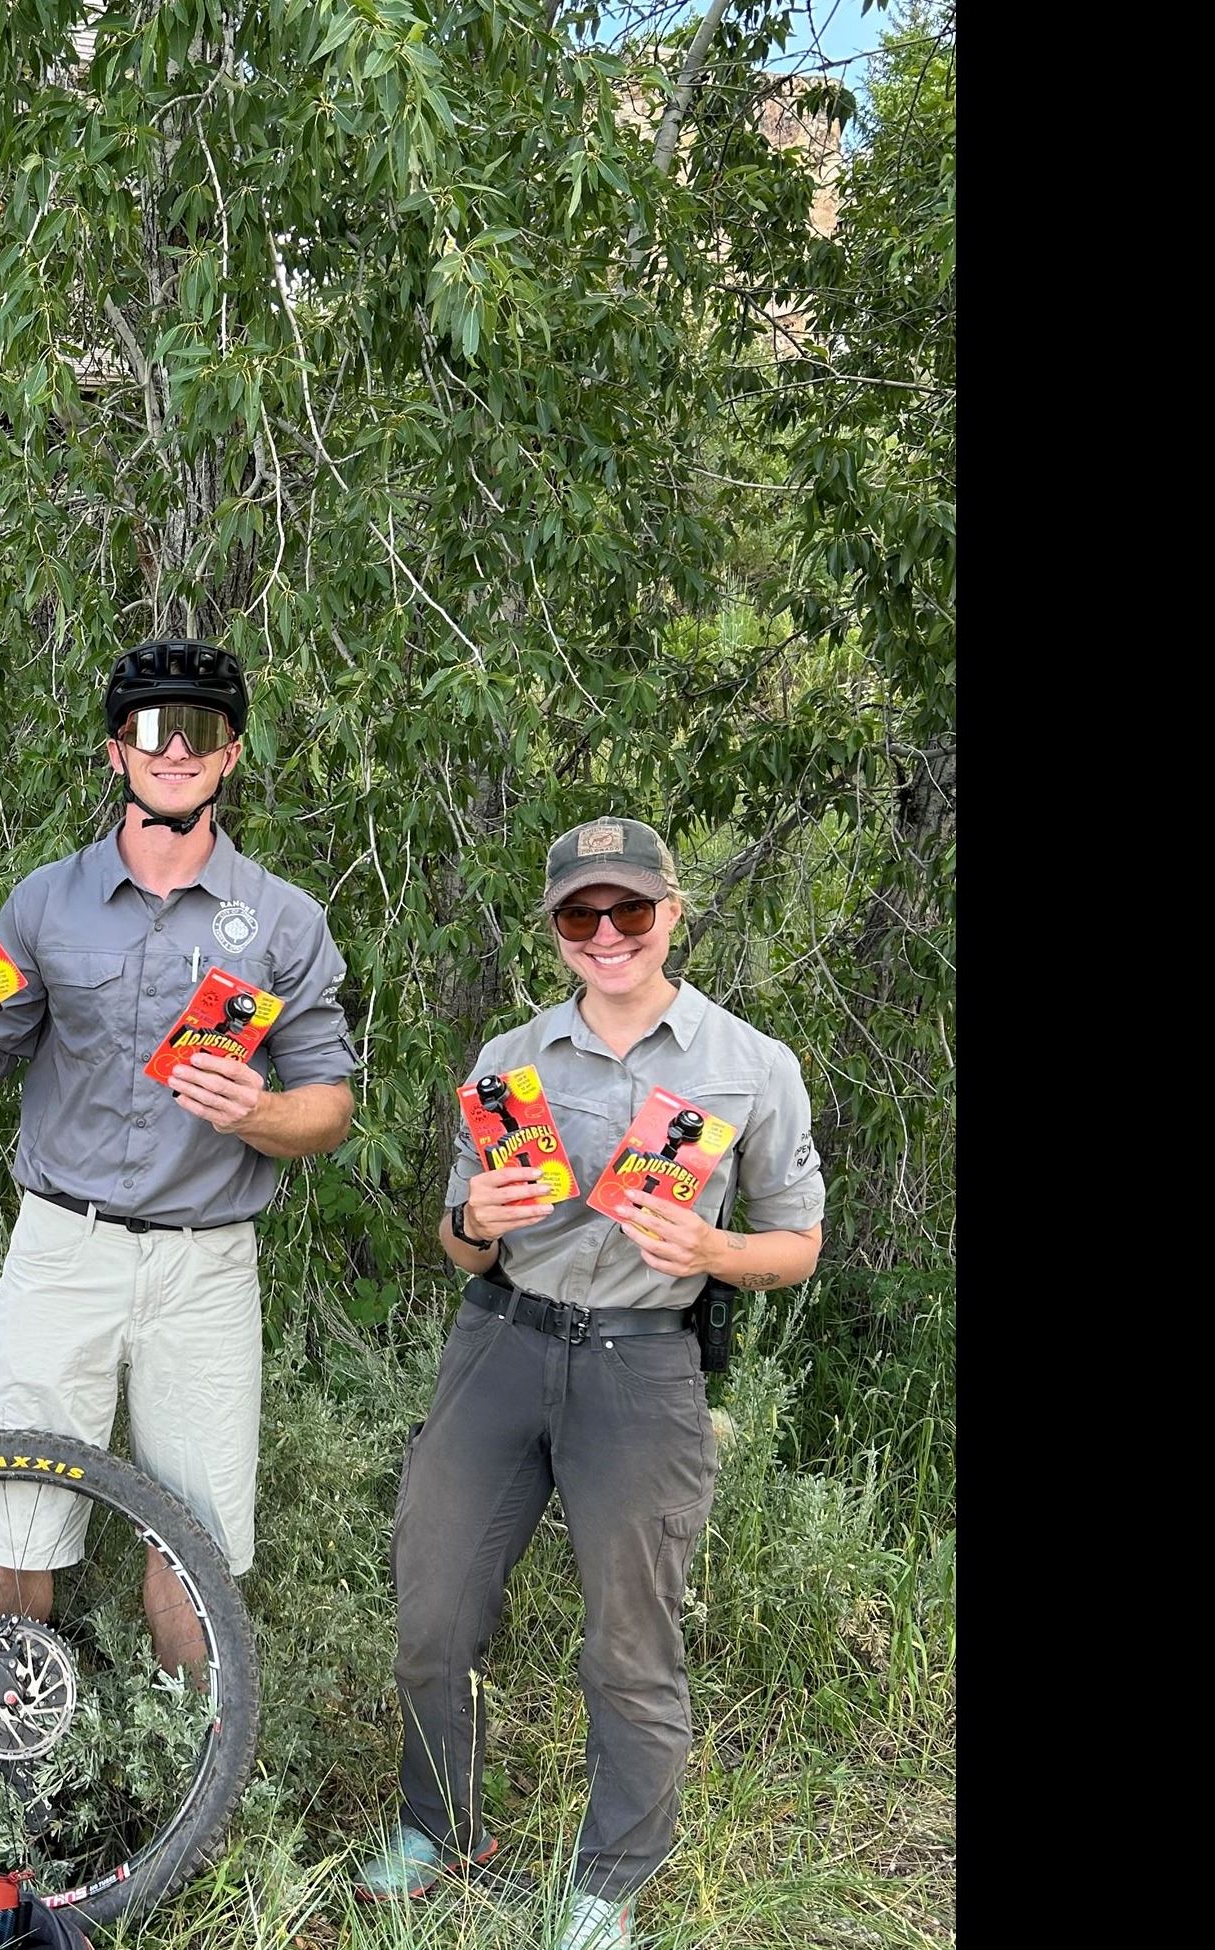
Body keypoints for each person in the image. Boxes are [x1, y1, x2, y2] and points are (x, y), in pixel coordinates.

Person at [356, 816, 826, 1950]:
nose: (605, 934)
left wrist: (711, 1254)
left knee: (628, 1641)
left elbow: (796, 1243)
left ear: (671, 913)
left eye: (627, 910)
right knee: (431, 1612)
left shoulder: (749, 1065)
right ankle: (441, 1827)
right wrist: (472, 1220)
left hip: (642, 1364)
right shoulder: (507, 1060)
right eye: (580, 915)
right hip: (500, 1348)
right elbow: (460, 1240)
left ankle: (607, 1882)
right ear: (556, 932)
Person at [0, 639, 356, 1673]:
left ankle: (185, 1772)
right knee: (11, 1517)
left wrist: (254, 1113)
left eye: (199, 731)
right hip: (62, 1247)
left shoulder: (283, 919)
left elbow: (328, 1108)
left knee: (190, 1539)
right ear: (115, 754)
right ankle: (9, 1756)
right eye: (151, 729)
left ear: (230, 756)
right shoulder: (41, 904)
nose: (175, 750)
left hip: (204, 1265)